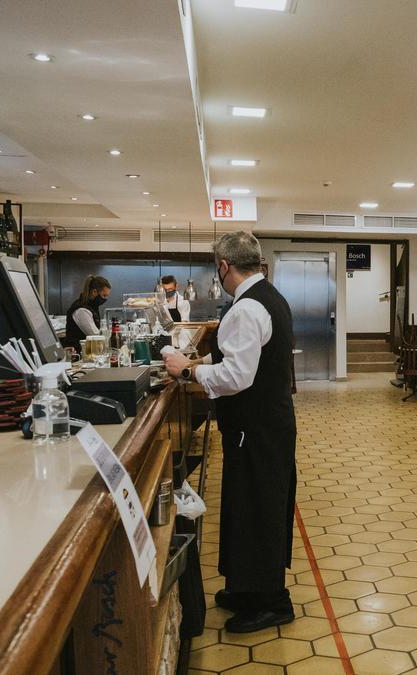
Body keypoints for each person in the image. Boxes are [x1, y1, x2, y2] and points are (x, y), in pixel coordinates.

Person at [163, 231, 297, 633]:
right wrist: (203, 360)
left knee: (259, 510)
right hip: (267, 423)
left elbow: (238, 375)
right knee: (248, 508)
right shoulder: (267, 298)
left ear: (223, 266)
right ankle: (247, 589)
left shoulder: (246, 309)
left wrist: (187, 369)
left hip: (257, 426)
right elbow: (243, 355)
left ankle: (273, 601)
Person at [63, 275, 111, 351]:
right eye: (104, 295)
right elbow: (96, 335)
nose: (105, 299)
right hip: (77, 354)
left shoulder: (92, 306)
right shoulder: (82, 310)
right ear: (94, 292)